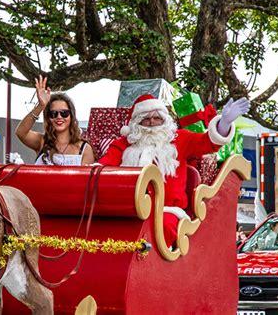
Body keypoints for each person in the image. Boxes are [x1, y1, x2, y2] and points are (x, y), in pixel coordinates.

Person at [99, 94, 250, 247]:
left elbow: (208, 142)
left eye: (157, 118)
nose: (152, 122)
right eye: (146, 118)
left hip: (167, 211)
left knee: (161, 228)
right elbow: (102, 167)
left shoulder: (180, 139)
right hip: (130, 211)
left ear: (165, 119)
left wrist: (224, 124)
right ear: (137, 122)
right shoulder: (124, 144)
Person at [16, 75, 95, 165]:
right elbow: (21, 132)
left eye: (64, 113)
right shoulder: (41, 142)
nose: (59, 117)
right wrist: (41, 106)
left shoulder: (84, 149)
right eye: (53, 113)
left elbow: (86, 179)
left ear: (71, 116)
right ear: (48, 117)